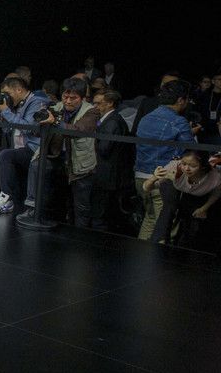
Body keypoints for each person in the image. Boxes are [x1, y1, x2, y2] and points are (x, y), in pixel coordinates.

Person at [134, 79, 197, 239]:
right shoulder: (178, 121)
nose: (188, 103)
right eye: (187, 99)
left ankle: (141, 254)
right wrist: (191, 134)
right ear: (180, 100)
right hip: (162, 179)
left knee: (150, 220)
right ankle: (160, 256)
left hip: (140, 177)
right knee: (166, 228)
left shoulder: (146, 118)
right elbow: (190, 152)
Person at [31, 78, 98, 226]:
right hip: (58, 159)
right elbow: (36, 132)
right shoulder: (56, 107)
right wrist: (40, 120)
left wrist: (54, 122)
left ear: (82, 98)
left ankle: (80, 236)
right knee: (56, 202)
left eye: (73, 98)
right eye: (65, 97)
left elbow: (79, 131)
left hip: (80, 165)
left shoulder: (91, 111)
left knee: (81, 208)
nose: (68, 101)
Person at [0, 75, 49, 214]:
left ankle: (6, 197)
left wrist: (6, 110)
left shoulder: (36, 102)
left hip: (34, 150)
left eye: (7, 93)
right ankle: (12, 203)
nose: (6, 97)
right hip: (20, 149)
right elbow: (6, 129)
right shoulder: (16, 104)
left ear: (19, 90)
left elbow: (28, 128)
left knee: (6, 155)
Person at [144, 150, 221, 248]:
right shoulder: (175, 167)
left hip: (196, 193)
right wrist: (154, 178)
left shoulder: (214, 177)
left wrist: (204, 208)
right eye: (184, 164)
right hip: (174, 184)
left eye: (193, 166)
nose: (187, 168)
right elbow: (146, 187)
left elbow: (217, 194)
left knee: (194, 218)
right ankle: (158, 243)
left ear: (203, 166)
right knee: (169, 208)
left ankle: (184, 248)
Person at [90, 89, 132, 231]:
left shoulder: (112, 122)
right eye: (94, 103)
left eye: (98, 103)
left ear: (110, 103)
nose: (95, 106)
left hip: (108, 176)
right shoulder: (109, 120)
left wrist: (93, 141)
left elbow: (104, 149)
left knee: (101, 215)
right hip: (108, 174)